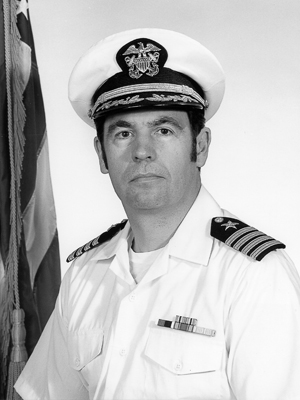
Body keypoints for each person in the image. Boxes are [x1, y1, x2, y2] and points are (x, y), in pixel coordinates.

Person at [15, 28, 300, 400]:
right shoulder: (85, 275)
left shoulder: (254, 276)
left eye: (164, 130)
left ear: (199, 146)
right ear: (101, 154)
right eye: (123, 134)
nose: (142, 151)